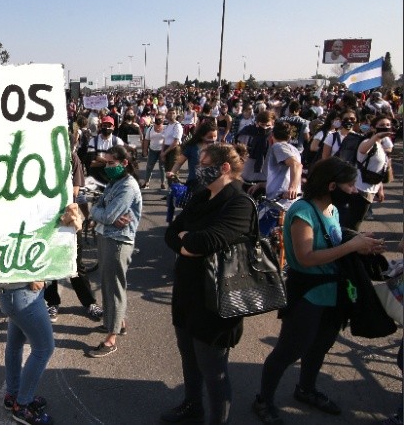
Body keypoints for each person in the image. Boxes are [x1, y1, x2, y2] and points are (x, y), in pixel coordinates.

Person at [252, 157, 384, 424]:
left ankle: (306, 389)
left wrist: (360, 244)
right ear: (332, 185)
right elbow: (305, 258)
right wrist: (350, 246)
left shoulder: (331, 209)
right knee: (289, 351)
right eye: (349, 185)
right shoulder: (303, 211)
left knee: (320, 347)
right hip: (308, 294)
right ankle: (263, 400)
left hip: (332, 294)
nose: (355, 190)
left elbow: (332, 243)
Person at [162, 143, 253, 424]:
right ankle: (192, 405)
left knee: (213, 369)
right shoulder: (202, 196)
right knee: (189, 357)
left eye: (204, 164)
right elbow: (172, 233)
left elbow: (205, 241)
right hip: (187, 292)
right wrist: (188, 242)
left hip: (216, 299)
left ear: (224, 167)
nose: (199, 169)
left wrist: (189, 240)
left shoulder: (239, 203)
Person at [87, 145, 142, 358]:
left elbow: (108, 216)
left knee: (114, 288)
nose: (108, 167)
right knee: (109, 283)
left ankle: (111, 338)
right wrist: (98, 211)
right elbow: (101, 208)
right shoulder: (115, 182)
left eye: (112, 163)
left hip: (118, 241)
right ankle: (118, 323)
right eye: (107, 163)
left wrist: (96, 211)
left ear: (124, 163)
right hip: (107, 237)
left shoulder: (128, 186)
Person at [46, 124, 104, 323]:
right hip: (46, 220)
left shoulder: (73, 159)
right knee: (51, 263)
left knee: (76, 264)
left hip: (69, 219)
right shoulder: (42, 159)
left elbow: (75, 191)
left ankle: (89, 302)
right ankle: (52, 303)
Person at [0, 280, 56, 425]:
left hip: (12, 292)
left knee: (15, 344)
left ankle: (13, 395)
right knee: (44, 349)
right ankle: (22, 406)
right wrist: (32, 276)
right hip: (23, 292)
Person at [337, 116, 394, 231]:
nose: (385, 128)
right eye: (382, 125)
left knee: (353, 223)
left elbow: (378, 169)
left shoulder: (380, 145)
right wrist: (376, 136)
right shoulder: (367, 142)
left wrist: (380, 189)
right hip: (360, 190)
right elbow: (363, 150)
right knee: (352, 224)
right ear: (373, 127)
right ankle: (348, 246)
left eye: (388, 125)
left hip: (370, 189)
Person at [248, 122, 303, 205]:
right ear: (289, 137)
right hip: (288, 202)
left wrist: (292, 188)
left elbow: (297, 165)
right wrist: (260, 185)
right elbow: (281, 179)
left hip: (279, 204)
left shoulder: (278, 147)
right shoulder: (294, 150)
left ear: (272, 135)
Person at [87, 116, 125, 183]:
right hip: (96, 178)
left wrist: (98, 158)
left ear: (113, 128)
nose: (107, 128)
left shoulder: (118, 141)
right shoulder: (93, 141)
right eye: (104, 125)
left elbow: (120, 163)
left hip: (113, 178)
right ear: (101, 126)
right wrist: (110, 162)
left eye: (109, 126)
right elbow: (91, 163)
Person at [142, 117, 166, 189]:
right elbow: (146, 140)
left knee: (162, 167)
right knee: (149, 167)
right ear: (155, 122)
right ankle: (146, 183)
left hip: (162, 151)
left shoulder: (166, 128)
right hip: (152, 150)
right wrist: (145, 150)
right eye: (157, 123)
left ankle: (163, 183)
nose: (158, 126)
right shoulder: (150, 129)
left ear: (163, 122)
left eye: (160, 124)